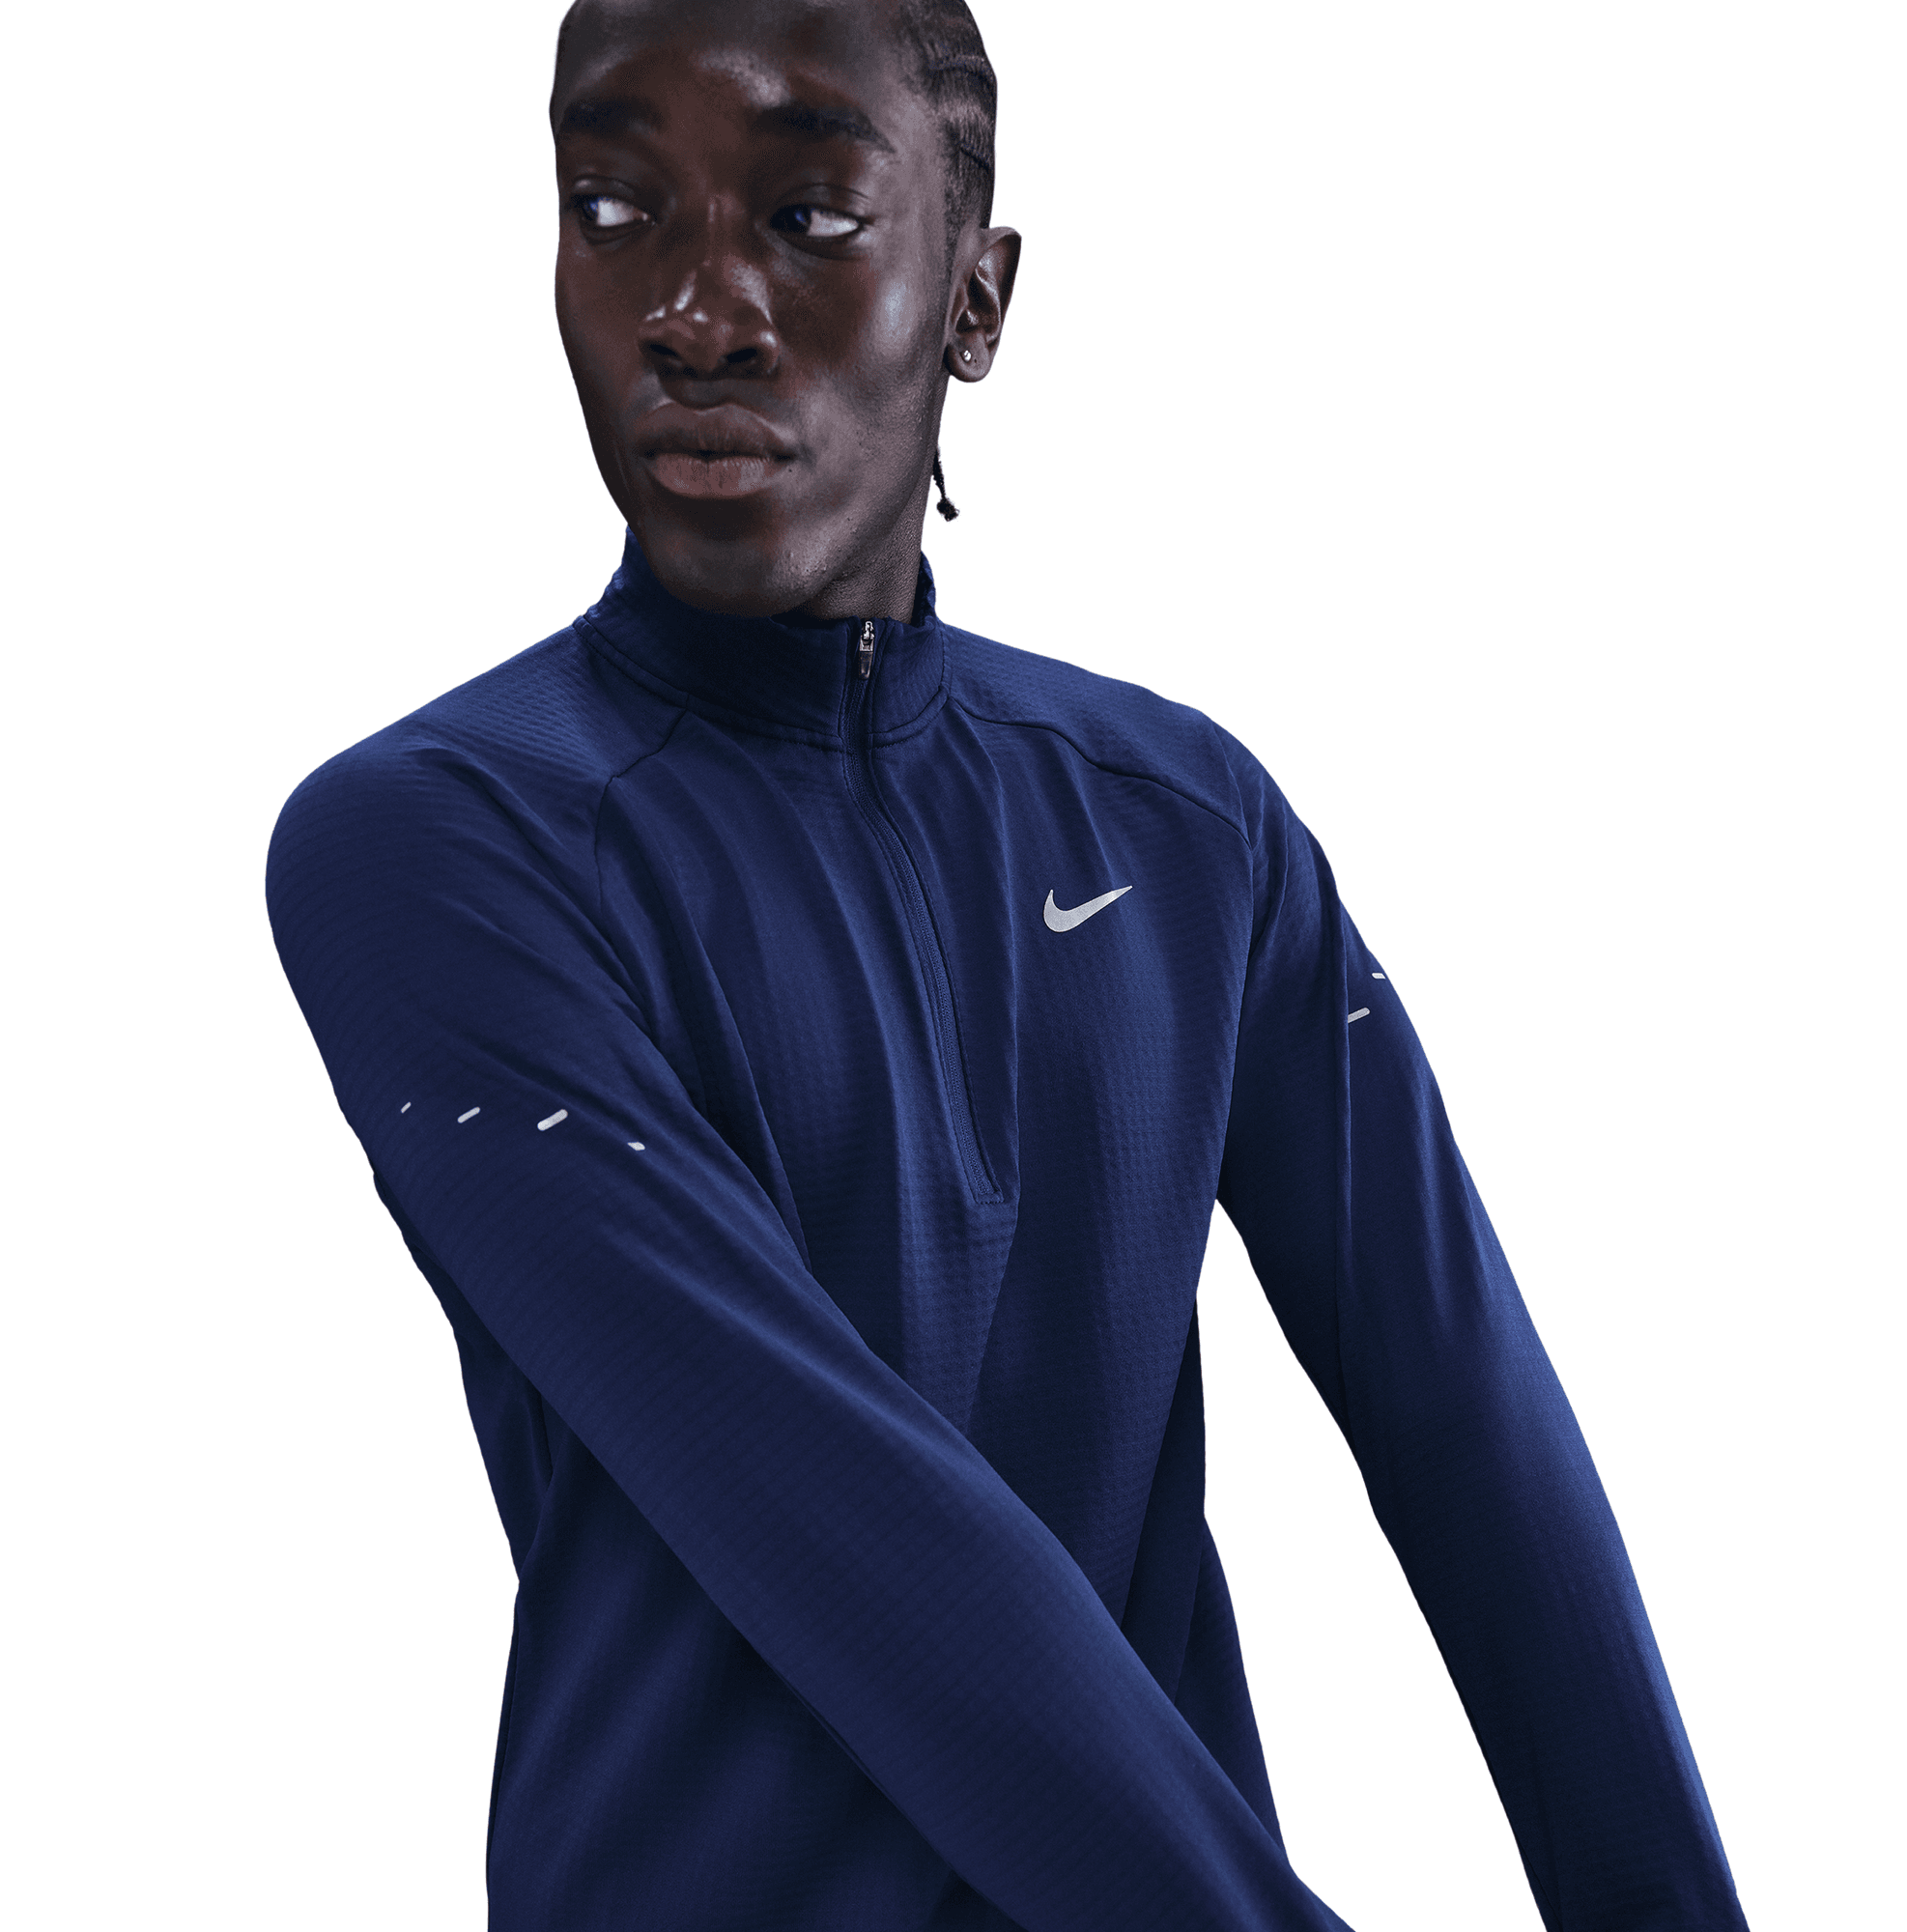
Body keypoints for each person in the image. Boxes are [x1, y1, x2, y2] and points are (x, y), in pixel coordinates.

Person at [266, 2, 1751, 1927]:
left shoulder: (1187, 823)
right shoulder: (435, 843)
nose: (693, 315)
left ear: (976, 299)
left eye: (806, 216)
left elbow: (1469, 1427)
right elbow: (830, 1513)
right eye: (612, 206)